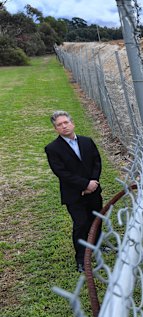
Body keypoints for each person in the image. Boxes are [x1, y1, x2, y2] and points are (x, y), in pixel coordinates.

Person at [45, 111, 103, 273]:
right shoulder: (52, 148)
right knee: (80, 224)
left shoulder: (87, 141)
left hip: (94, 190)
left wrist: (93, 182)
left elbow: (96, 162)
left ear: (72, 123)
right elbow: (61, 172)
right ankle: (81, 259)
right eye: (59, 125)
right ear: (55, 129)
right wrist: (84, 185)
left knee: (96, 219)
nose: (64, 126)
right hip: (73, 194)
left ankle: (98, 246)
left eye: (66, 122)